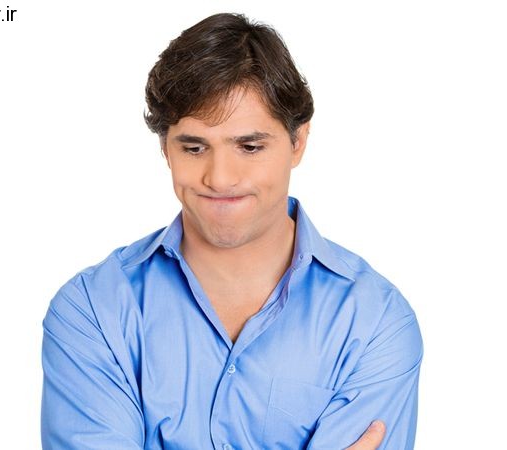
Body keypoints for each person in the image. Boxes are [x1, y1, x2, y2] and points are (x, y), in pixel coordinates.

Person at [41, 12, 422, 450]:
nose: (220, 178)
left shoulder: (375, 321)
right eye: (194, 147)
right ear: (165, 148)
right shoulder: (93, 309)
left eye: (250, 146)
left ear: (298, 142)